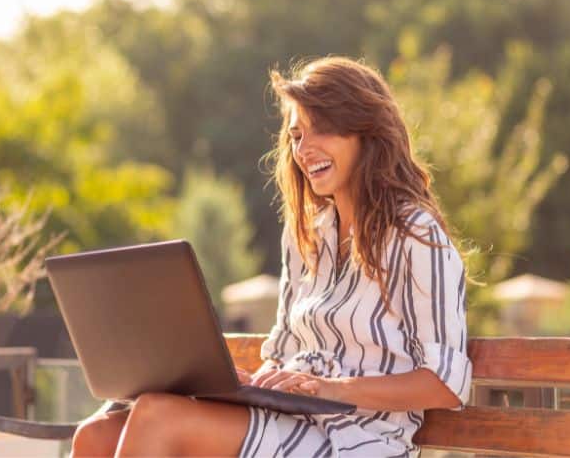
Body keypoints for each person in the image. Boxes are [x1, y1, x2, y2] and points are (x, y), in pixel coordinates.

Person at [71, 56, 473, 457]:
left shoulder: (415, 234)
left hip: (359, 440)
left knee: (158, 418)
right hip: (291, 423)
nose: (305, 149)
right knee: (96, 436)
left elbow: (444, 383)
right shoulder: (307, 236)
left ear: (367, 134)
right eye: (297, 135)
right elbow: (283, 352)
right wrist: (251, 384)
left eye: (322, 131)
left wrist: (329, 389)